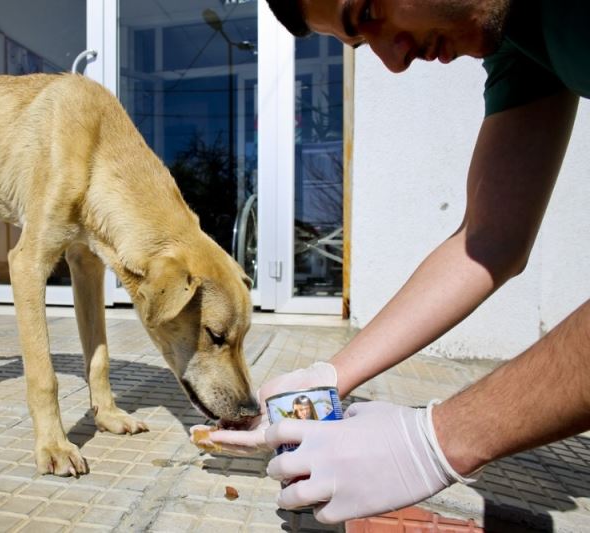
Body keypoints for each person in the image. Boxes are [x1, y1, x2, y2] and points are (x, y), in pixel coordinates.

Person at [192, 0, 590, 524]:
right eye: (361, 43)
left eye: (370, 9)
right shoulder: (516, 39)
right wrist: (331, 374)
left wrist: (438, 438)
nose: (394, 62)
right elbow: (489, 240)